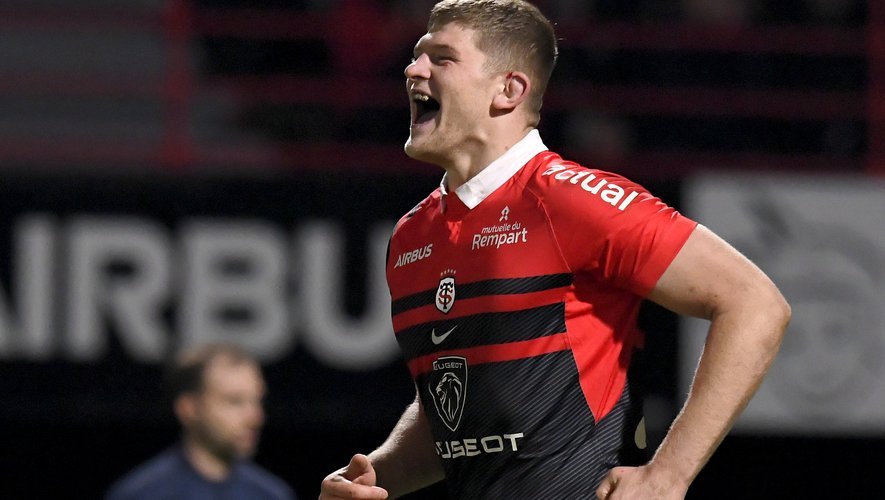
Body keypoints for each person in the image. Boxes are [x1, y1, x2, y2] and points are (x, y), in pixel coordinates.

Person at [319, 0, 791, 498]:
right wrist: (373, 478)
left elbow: (755, 303)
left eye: (442, 58)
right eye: (417, 56)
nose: (413, 69)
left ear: (508, 90)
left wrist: (669, 473)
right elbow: (462, 418)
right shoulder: (411, 237)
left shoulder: (573, 201)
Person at [106, 343, 295, 500]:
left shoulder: (272, 495)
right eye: (234, 401)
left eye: (257, 401)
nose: (255, 417)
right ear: (189, 408)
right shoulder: (141, 494)